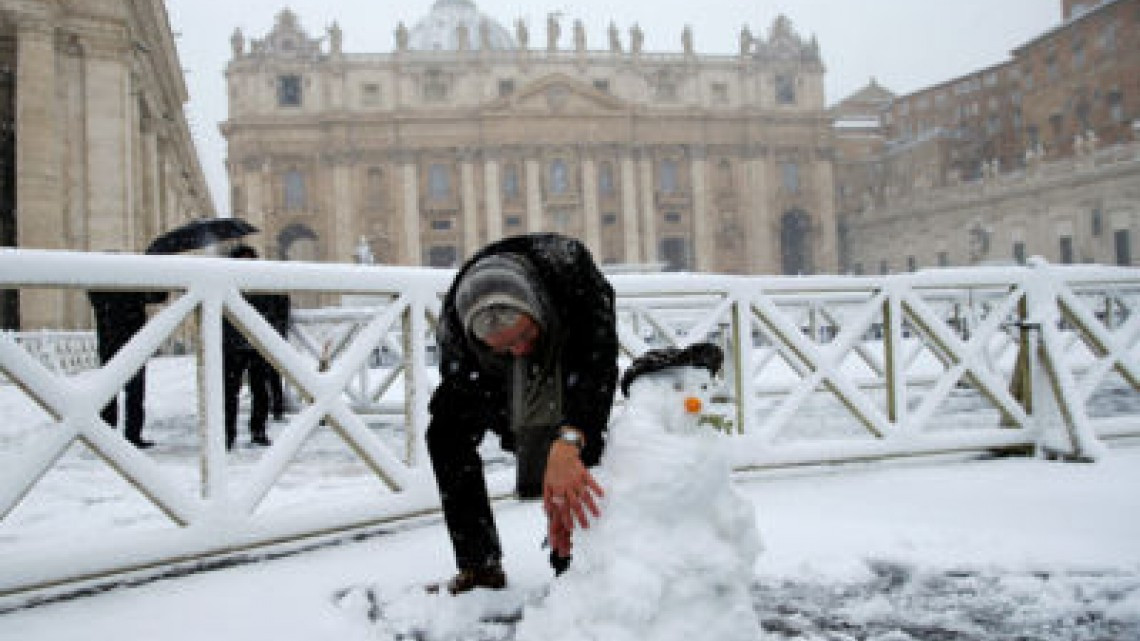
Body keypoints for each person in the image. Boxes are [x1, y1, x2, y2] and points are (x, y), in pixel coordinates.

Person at [426, 232, 619, 595]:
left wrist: (568, 440)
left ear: (533, 311)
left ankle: (575, 564)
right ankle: (479, 566)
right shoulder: (458, 325)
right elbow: (464, 386)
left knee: (574, 447)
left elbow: (597, 373)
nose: (519, 349)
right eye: (506, 346)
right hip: (491, 368)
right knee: (445, 433)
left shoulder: (572, 276)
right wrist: (520, 439)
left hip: (566, 341)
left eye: (523, 336)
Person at [88, 288, 168, 448]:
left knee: (128, 389)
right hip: (121, 332)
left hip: (120, 332)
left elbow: (159, 295)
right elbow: (158, 295)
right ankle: (118, 434)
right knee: (122, 389)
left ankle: (119, 434)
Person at [222, 244, 276, 449]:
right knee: (229, 392)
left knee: (261, 390)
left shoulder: (263, 282)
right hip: (233, 346)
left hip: (257, 344)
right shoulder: (225, 284)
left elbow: (276, 308)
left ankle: (259, 430)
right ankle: (227, 433)